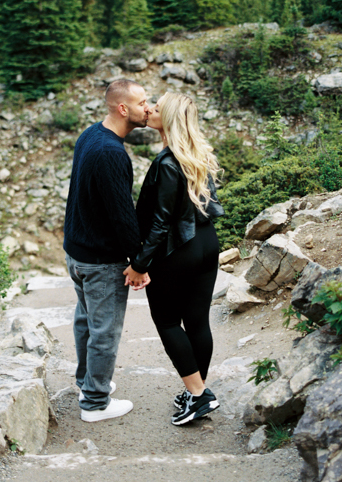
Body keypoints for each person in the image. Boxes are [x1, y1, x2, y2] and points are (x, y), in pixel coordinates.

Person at [125, 91, 223, 425]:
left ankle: (198, 395)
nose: (149, 108)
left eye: (157, 106)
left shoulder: (167, 163)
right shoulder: (197, 154)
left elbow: (160, 222)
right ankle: (198, 392)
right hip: (207, 243)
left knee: (167, 321)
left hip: (177, 249)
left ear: (167, 118)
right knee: (197, 321)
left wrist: (139, 264)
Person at [63, 78, 151, 422]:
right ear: (122, 108)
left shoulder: (91, 135)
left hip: (78, 251)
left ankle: (87, 381)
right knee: (104, 330)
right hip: (100, 259)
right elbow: (121, 214)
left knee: (86, 320)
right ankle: (95, 403)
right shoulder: (111, 152)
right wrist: (139, 262)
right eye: (143, 102)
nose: (149, 107)